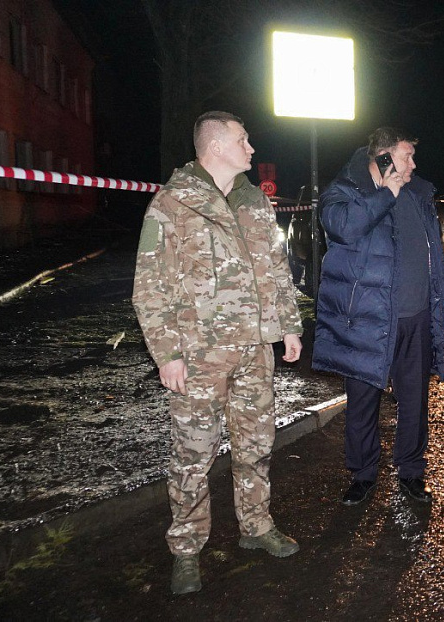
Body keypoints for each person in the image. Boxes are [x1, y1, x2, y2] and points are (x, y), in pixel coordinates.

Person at [133, 111, 304, 595]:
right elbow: (149, 287)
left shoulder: (255, 202)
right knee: (193, 454)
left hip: (255, 350)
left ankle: (256, 526)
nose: (251, 148)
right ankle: (186, 549)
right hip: (198, 356)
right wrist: (167, 353)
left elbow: (276, 268)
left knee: (256, 445)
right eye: (242, 140)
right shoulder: (173, 202)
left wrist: (288, 326)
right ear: (215, 147)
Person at [312, 127, 444, 508]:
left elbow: (434, 249)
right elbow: (344, 228)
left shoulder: (419, 193)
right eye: (407, 156)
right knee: (362, 403)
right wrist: (386, 193)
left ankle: (411, 471)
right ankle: (362, 474)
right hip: (368, 320)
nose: (414, 164)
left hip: (416, 317)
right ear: (384, 158)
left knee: (415, 401)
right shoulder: (345, 190)